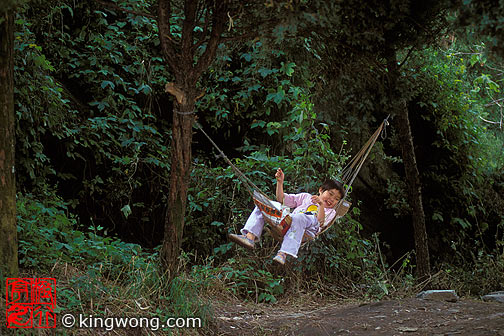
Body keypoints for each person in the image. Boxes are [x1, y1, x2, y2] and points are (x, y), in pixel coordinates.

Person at [228, 168, 345, 265]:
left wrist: (320, 204)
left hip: (307, 230)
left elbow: (320, 222)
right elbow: (282, 200)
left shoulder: (331, 212)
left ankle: (283, 253)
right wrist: (280, 183)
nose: (331, 200)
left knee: (300, 218)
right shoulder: (306, 197)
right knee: (265, 204)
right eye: (330, 194)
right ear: (321, 190)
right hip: (289, 222)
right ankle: (249, 237)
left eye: (336, 199)